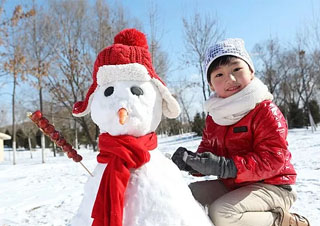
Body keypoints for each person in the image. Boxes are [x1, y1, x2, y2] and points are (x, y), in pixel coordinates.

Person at [172, 38, 310, 226]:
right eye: (219, 75)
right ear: (211, 85)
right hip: (234, 184)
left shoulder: (265, 110)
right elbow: (209, 153)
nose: (230, 79)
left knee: (222, 212)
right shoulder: (215, 116)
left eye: (236, 69)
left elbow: (273, 159)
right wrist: (192, 163)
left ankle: (285, 222)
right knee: (185, 195)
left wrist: (225, 167)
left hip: (273, 186)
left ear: (251, 72)